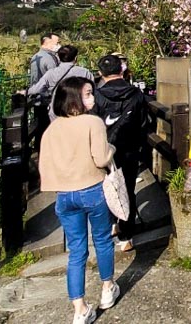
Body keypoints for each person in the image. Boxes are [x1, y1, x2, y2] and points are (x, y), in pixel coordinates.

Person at [39, 77, 120, 324]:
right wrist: (112, 149)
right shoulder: (92, 122)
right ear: (73, 98)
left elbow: (45, 163)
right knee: (103, 241)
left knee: (76, 251)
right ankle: (107, 288)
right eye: (87, 94)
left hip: (64, 196)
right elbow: (101, 158)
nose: (92, 98)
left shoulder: (52, 129)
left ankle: (80, 309)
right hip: (92, 190)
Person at [92, 54, 148, 252]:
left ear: (100, 73)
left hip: (103, 151)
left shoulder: (96, 96)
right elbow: (143, 124)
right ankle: (126, 236)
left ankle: (112, 226)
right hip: (129, 150)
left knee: (106, 189)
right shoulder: (136, 94)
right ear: (121, 70)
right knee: (128, 190)